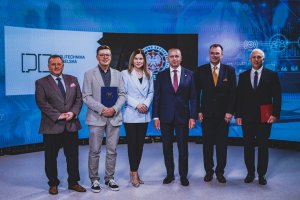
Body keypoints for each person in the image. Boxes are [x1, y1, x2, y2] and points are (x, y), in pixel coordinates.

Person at [35, 55, 86, 195]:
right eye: (53, 64)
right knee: (51, 157)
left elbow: (79, 99)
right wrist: (58, 115)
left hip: (71, 125)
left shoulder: (73, 79)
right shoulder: (41, 82)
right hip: (52, 126)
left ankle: (73, 182)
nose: (56, 66)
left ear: (63, 65)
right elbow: (42, 103)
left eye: (59, 64)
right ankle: (53, 184)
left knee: (73, 156)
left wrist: (73, 113)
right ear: (48, 66)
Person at [82, 45, 125, 192]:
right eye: (102, 55)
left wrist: (113, 109)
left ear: (111, 57)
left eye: (108, 55)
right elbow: (86, 96)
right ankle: (94, 180)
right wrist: (102, 109)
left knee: (112, 150)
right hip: (96, 117)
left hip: (114, 116)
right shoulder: (89, 74)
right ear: (97, 57)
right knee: (94, 150)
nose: (105, 57)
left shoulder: (118, 74)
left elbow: (122, 95)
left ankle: (109, 178)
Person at [235, 48, 281, 185]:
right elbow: (239, 98)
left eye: (259, 57)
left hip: (265, 118)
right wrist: (238, 115)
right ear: (250, 60)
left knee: (263, 146)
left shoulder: (272, 75)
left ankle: (261, 175)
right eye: (254, 57)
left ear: (263, 59)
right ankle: (250, 173)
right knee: (248, 146)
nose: (256, 59)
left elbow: (277, 97)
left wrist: (275, 114)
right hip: (247, 118)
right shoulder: (243, 76)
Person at [152, 48, 197, 186]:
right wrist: (156, 117)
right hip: (165, 117)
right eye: (171, 56)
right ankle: (170, 174)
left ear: (181, 58)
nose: (174, 59)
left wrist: (193, 117)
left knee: (183, 148)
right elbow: (157, 97)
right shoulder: (161, 75)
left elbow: (194, 98)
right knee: (167, 147)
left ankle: (183, 176)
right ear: (168, 59)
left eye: (177, 56)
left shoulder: (190, 74)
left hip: (183, 117)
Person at [196, 44, 236, 183]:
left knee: (221, 145)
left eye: (217, 53)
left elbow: (233, 94)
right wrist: (198, 111)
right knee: (207, 146)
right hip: (206, 115)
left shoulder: (229, 70)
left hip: (223, 116)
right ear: (209, 54)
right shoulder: (201, 70)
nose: (214, 55)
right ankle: (208, 172)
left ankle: (220, 172)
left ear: (222, 55)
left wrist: (230, 112)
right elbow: (196, 93)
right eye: (212, 53)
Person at [121, 49, 154, 187]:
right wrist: (137, 104)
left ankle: (135, 170)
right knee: (132, 145)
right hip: (131, 113)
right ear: (132, 60)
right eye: (136, 59)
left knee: (140, 145)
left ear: (144, 61)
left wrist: (145, 104)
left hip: (144, 114)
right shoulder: (125, 74)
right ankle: (133, 173)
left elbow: (151, 91)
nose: (139, 61)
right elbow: (123, 93)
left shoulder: (149, 73)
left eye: (141, 59)